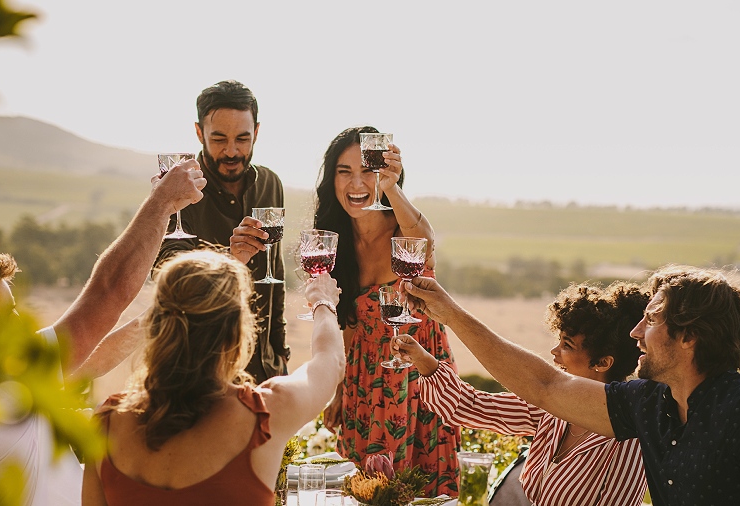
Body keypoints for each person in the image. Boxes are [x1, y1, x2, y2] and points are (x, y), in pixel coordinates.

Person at [0, 159, 208, 505]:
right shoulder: (5, 394)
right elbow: (109, 291)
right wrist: (162, 203)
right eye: (8, 312)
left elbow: (87, 361)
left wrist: (160, 317)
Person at [401, 265, 740, 506]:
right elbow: (545, 385)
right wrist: (449, 314)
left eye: (651, 320)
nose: (637, 332)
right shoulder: (650, 404)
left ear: (689, 336)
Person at [246, 125, 461, 496]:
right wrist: (340, 389)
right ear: (331, 179)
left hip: (418, 377)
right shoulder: (332, 240)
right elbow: (347, 323)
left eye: (367, 171)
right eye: (344, 172)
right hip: (365, 381)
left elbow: (425, 240)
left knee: (422, 492)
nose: (355, 183)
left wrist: (392, 188)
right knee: (367, 491)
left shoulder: (404, 228)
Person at [81, 250, 344, 505]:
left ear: (157, 328)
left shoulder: (107, 422)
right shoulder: (266, 413)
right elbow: (329, 362)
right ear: (236, 334)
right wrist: (323, 301)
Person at [394, 282, 649, 506]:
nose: (554, 351)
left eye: (567, 345)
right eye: (559, 340)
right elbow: (471, 406)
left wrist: (451, 314)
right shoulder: (552, 410)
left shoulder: (634, 430)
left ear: (603, 363)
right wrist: (423, 360)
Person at [158, 79, 288, 384]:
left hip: (264, 369)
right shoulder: (176, 191)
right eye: (219, 139)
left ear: (256, 132)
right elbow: (168, 280)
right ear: (199, 132)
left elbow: (275, 276)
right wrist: (230, 260)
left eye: (243, 138)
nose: (232, 151)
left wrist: (280, 354)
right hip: (198, 372)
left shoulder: (271, 184)